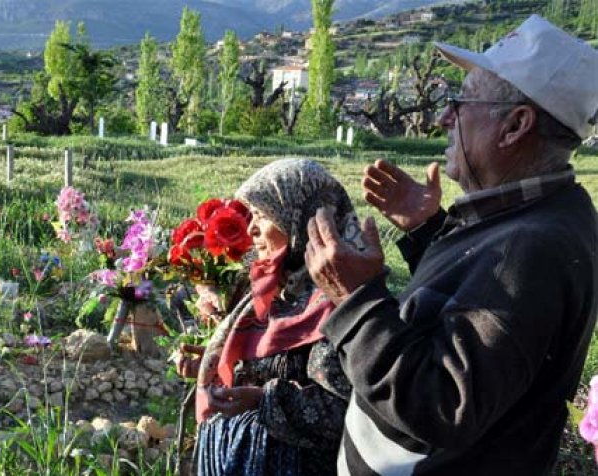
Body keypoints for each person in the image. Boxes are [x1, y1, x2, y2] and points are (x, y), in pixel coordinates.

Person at [305, 15, 598, 474]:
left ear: (515, 125)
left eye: (460, 101)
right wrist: (428, 231)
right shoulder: (539, 216)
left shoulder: (532, 249)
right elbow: (479, 315)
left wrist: (355, 300)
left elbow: (442, 404)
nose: (445, 116)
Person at [193, 158, 365, 475]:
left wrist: (262, 401)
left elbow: (346, 410)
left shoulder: (337, 304)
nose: (251, 228)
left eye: (262, 215)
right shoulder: (271, 293)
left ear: (301, 221)